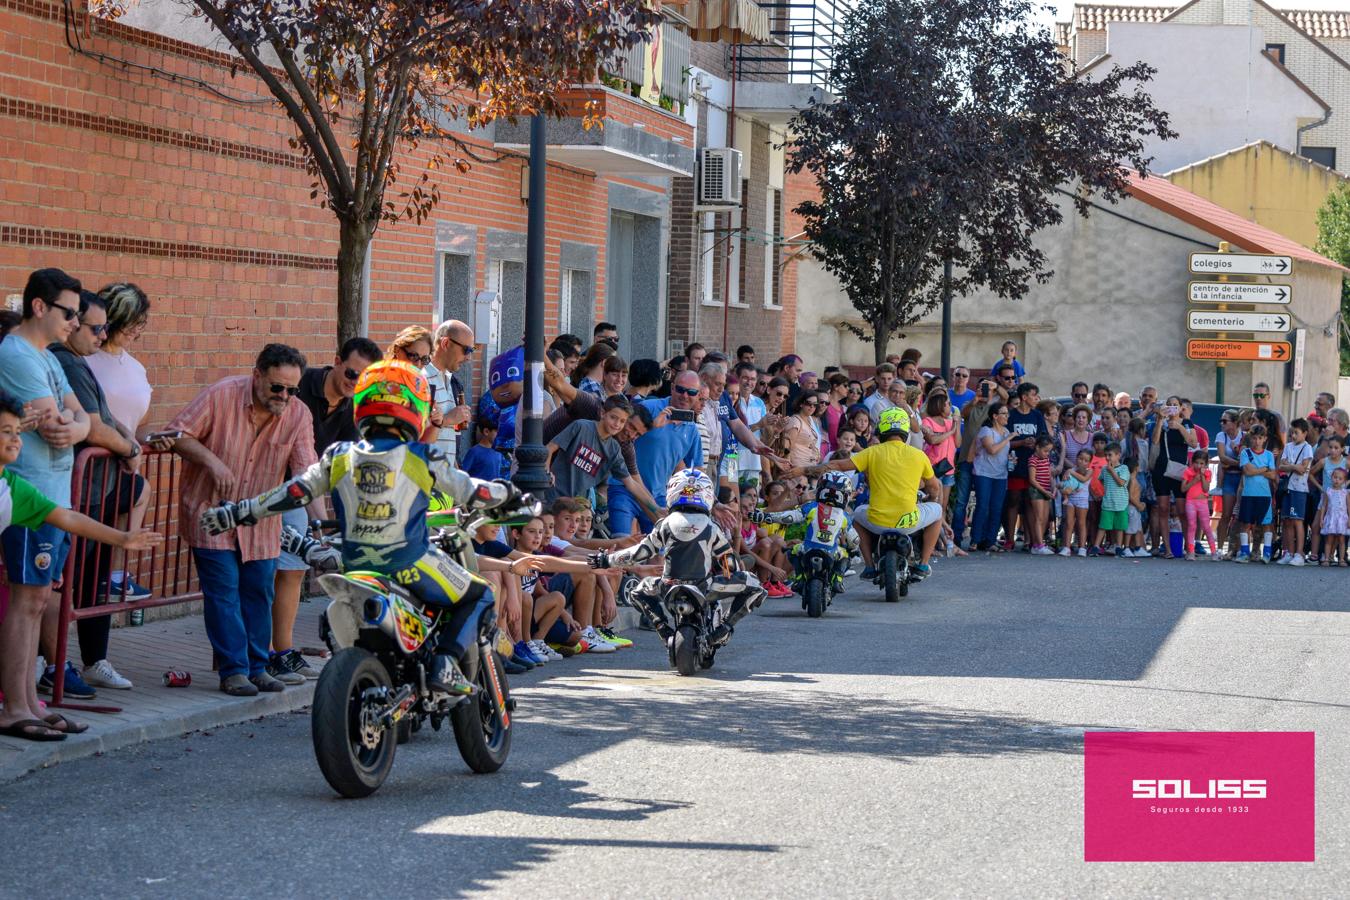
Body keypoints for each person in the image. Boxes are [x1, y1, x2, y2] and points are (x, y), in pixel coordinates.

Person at [200, 360, 528, 696]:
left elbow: (294, 490)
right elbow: (474, 490)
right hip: (409, 562)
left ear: (361, 407)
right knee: (480, 594)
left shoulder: (340, 455)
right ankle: (445, 661)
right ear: (416, 408)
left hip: (354, 565)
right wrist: (514, 495)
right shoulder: (421, 456)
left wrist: (242, 511)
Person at [0, 390, 161, 741]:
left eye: (17, 431)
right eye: (5, 432)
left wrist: (122, 539)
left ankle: (25, 706)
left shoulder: (13, 488)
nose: (15, 440)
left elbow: (68, 517)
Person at [165, 343, 317, 696]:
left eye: (291, 390)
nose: (284, 396)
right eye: (276, 387)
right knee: (224, 592)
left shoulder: (298, 413)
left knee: (259, 592)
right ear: (257, 375)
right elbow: (177, 433)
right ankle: (233, 670)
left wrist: (319, 525)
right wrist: (212, 461)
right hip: (212, 511)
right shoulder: (222, 395)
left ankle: (257, 666)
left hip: (260, 521)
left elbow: (307, 473)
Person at [0, 268, 96, 701]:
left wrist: (76, 428)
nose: (75, 323)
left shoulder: (50, 357)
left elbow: (82, 421)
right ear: (39, 307)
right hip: (30, 494)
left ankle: (29, 705)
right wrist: (75, 426)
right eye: (69, 312)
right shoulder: (17, 355)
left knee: (39, 601)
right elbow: (58, 424)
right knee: (26, 601)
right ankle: (17, 706)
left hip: (55, 496)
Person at [48, 290, 147, 691]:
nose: (99, 334)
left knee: (93, 579)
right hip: (76, 490)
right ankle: (51, 666)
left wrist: (129, 441)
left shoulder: (79, 362)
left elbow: (104, 417)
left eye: (103, 326)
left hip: (99, 487)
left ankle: (93, 660)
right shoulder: (66, 362)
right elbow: (91, 424)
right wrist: (127, 447)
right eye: (93, 326)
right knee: (57, 583)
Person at [588, 469, 767, 648]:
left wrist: (606, 560)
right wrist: (732, 571)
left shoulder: (665, 524)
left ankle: (663, 629)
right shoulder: (711, 527)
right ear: (707, 495)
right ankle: (724, 628)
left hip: (668, 586)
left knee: (637, 592)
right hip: (704, 587)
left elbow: (639, 553)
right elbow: (730, 564)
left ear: (673, 492)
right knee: (756, 587)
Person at [801, 408, 943, 579]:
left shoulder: (871, 452)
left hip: (877, 521)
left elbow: (837, 465)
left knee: (859, 513)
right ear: (905, 430)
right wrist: (931, 497)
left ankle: (869, 566)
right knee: (938, 511)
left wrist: (802, 470)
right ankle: (923, 564)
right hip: (908, 521)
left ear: (881, 429)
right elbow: (934, 488)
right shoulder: (919, 455)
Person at [84, 282, 158, 600]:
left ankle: (116, 575)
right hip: (86, 476)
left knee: (141, 490)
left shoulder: (136, 367)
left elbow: (135, 420)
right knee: (75, 571)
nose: (135, 330)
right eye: (130, 322)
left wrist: (150, 440)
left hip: (121, 471)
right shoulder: (84, 361)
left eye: (140, 323)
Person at [545, 395, 662, 519]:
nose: (617, 424)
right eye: (613, 418)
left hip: (576, 508)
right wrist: (546, 471)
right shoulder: (581, 426)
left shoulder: (614, 449)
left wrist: (656, 508)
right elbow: (550, 448)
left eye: (622, 421)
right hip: (554, 497)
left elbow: (631, 483)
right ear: (602, 413)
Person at [749, 471, 858, 595]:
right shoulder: (844, 516)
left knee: (794, 551)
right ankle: (837, 580)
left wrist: (768, 517)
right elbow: (853, 538)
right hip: (833, 551)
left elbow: (791, 516)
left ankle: (800, 579)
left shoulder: (811, 507)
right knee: (845, 556)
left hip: (807, 547)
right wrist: (854, 548)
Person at [1002, 382, 1048, 552]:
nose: (1036, 398)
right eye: (1033, 395)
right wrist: (1021, 442)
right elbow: (1004, 441)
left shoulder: (1037, 416)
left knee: (1030, 502)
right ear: (1023, 397)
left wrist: (1035, 443)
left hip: (1033, 466)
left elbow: (1044, 438)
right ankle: (1009, 539)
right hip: (1015, 464)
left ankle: (1030, 540)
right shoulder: (1012, 416)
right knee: (1013, 500)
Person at [424, 319, 476, 460]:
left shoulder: (450, 380)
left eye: (472, 350)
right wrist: (448, 419)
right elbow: (412, 430)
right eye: (466, 350)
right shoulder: (422, 378)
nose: (469, 358)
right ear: (445, 343)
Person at [1235, 423, 1277, 564]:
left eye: (1260, 438)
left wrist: (1256, 470)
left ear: (1265, 439)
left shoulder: (1269, 455)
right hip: (1248, 494)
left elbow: (1273, 476)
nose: (1257, 441)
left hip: (1265, 495)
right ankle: (1244, 552)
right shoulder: (1245, 453)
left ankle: (1267, 552)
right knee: (1246, 524)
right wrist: (1264, 469)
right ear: (1250, 438)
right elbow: (1247, 471)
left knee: (1266, 525)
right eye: (1254, 438)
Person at [1276, 418, 1314, 566]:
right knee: (1287, 520)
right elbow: (1281, 466)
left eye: (1296, 433)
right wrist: (1293, 466)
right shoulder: (1288, 446)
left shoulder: (1307, 448)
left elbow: (1302, 469)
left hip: (1300, 489)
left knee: (1298, 520)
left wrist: (1290, 466)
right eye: (1292, 433)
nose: (1293, 436)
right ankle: (1289, 552)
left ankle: (1299, 553)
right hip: (1287, 488)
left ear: (1305, 433)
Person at [1180, 449, 1219, 561]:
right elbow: (1183, 488)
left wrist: (1201, 477)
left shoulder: (1207, 473)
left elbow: (1206, 488)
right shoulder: (1188, 472)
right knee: (1192, 526)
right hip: (1191, 502)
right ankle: (1191, 551)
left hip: (1202, 502)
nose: (1198, 465)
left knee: (1206, 527)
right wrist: (1194, 480)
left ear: (1206, 464)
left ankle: (1213, 551)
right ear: (1192, 462)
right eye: (1196, 463)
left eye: (1201, 463)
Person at [1094, 442, 1130, 556]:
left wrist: (1112, 471)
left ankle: (1118, 547)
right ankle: (1096, 546)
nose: (1107, 458)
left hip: (1121, 503)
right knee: (1103, 525)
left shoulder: (1124, 468)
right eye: (1106, 455)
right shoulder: (1105, 469)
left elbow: (1120, 483)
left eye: (1110, 455)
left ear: (1118, 455)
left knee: (1119, 527)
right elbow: (1101, 479)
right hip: (1108, 502)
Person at [1060, 449, 1093, 557]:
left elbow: (1084, 480)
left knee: (1081, 524)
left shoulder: (1089, 471)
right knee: (1069, 523)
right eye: (1080, 459)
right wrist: (1064, 489)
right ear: (1076, 458)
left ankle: (1082, 547)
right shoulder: (1071, 469)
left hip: (1082, 501)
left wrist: (1071, 472)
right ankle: (1066, 547)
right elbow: (1065, 483)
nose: (1082, 462)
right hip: (1071, 499)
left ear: (1089, 462)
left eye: (1086, 460)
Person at [1318, 466, 1349, 566]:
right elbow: (1324, 506)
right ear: (1331, 477)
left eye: (1340, 479)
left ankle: (1341, 559)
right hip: (1331, 518)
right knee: (1329, 539)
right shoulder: (1328, 491)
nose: (1337, 480)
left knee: (1341, 540)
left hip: (1342, 519)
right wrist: (1321, 518)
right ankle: (1327, 558)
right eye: (1335, 477)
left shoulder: (1346, 493)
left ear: (1344, 481)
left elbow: (1349, 507)